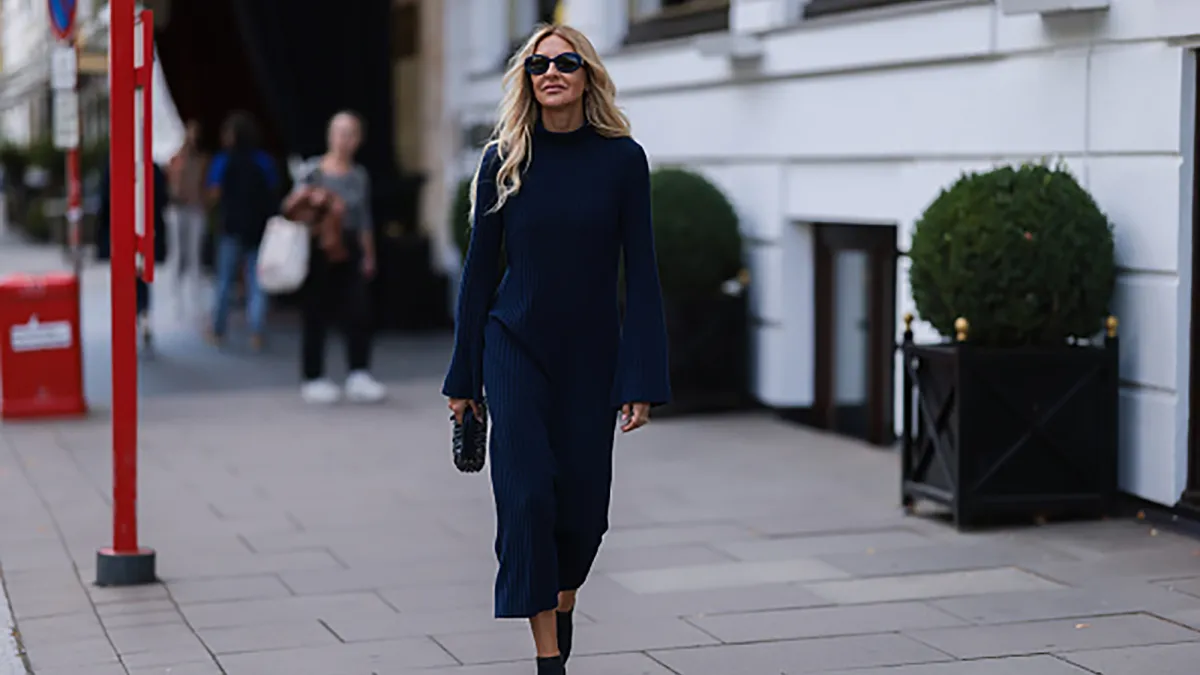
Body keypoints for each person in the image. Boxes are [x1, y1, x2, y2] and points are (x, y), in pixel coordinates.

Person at [442, 24, 671, 675]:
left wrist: (641, 378)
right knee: (528, 497)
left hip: (591, 359)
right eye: (538, 63)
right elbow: (478, 276)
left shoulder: (623, 160)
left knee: (584, 517)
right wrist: (464, 379)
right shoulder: (503, 158)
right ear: (526, 78)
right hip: (513, 348)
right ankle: (550, 663)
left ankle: (561, 599)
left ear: (587, 74)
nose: (551, 72)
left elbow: (644, 276)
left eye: (565, 61)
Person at [282, 111, 386, 404]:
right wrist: (315, 201)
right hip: (319, 245)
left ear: (358, 139)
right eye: (338, 132)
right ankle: (313, 376)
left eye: (349, 133)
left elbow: (364, 218)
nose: (343, 139)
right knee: (315, 311)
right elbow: (291, 207)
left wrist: (368, 254)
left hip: (349, 244)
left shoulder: (358, 176)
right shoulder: (312, 170)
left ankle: (359, 373)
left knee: (359, 309)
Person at [205, 111, 279, 351]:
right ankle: (256, 331)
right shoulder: (264, 161)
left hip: (231, 227)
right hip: (258, 228)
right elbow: (273, 190)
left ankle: (218, 329)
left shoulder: (223, 161)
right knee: (257, 281)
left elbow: (213, 194)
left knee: (225, 281)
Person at [95, 155, 169, 352]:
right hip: (145, 230)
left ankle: (133, 319)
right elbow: (162, 197)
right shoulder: (150, 165)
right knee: (141, 277)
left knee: (127, 278)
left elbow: (104, 198)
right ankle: (142, 315)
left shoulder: (115, 165)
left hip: (122, 230)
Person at [166, 119, 209, 316]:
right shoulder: (177, 159)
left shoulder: (202, 160)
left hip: (195, 209)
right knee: (178, 254)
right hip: (180, 209)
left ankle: (194, 299)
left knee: (194, 255)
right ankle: (177, 299)